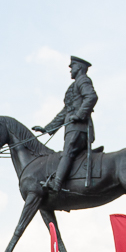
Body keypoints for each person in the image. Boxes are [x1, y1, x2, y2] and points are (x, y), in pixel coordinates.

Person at [33, 55, 97, 194]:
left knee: (67, 152)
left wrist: (79, 115)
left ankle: (56, 184)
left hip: (79, 128)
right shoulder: (74, 85)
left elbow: (91, 97)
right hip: (72, 128)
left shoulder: (83, 80)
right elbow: (65, 111)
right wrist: (47, 128)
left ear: (79, 67)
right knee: (67, 153)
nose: (70, 70)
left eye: (72, 67)